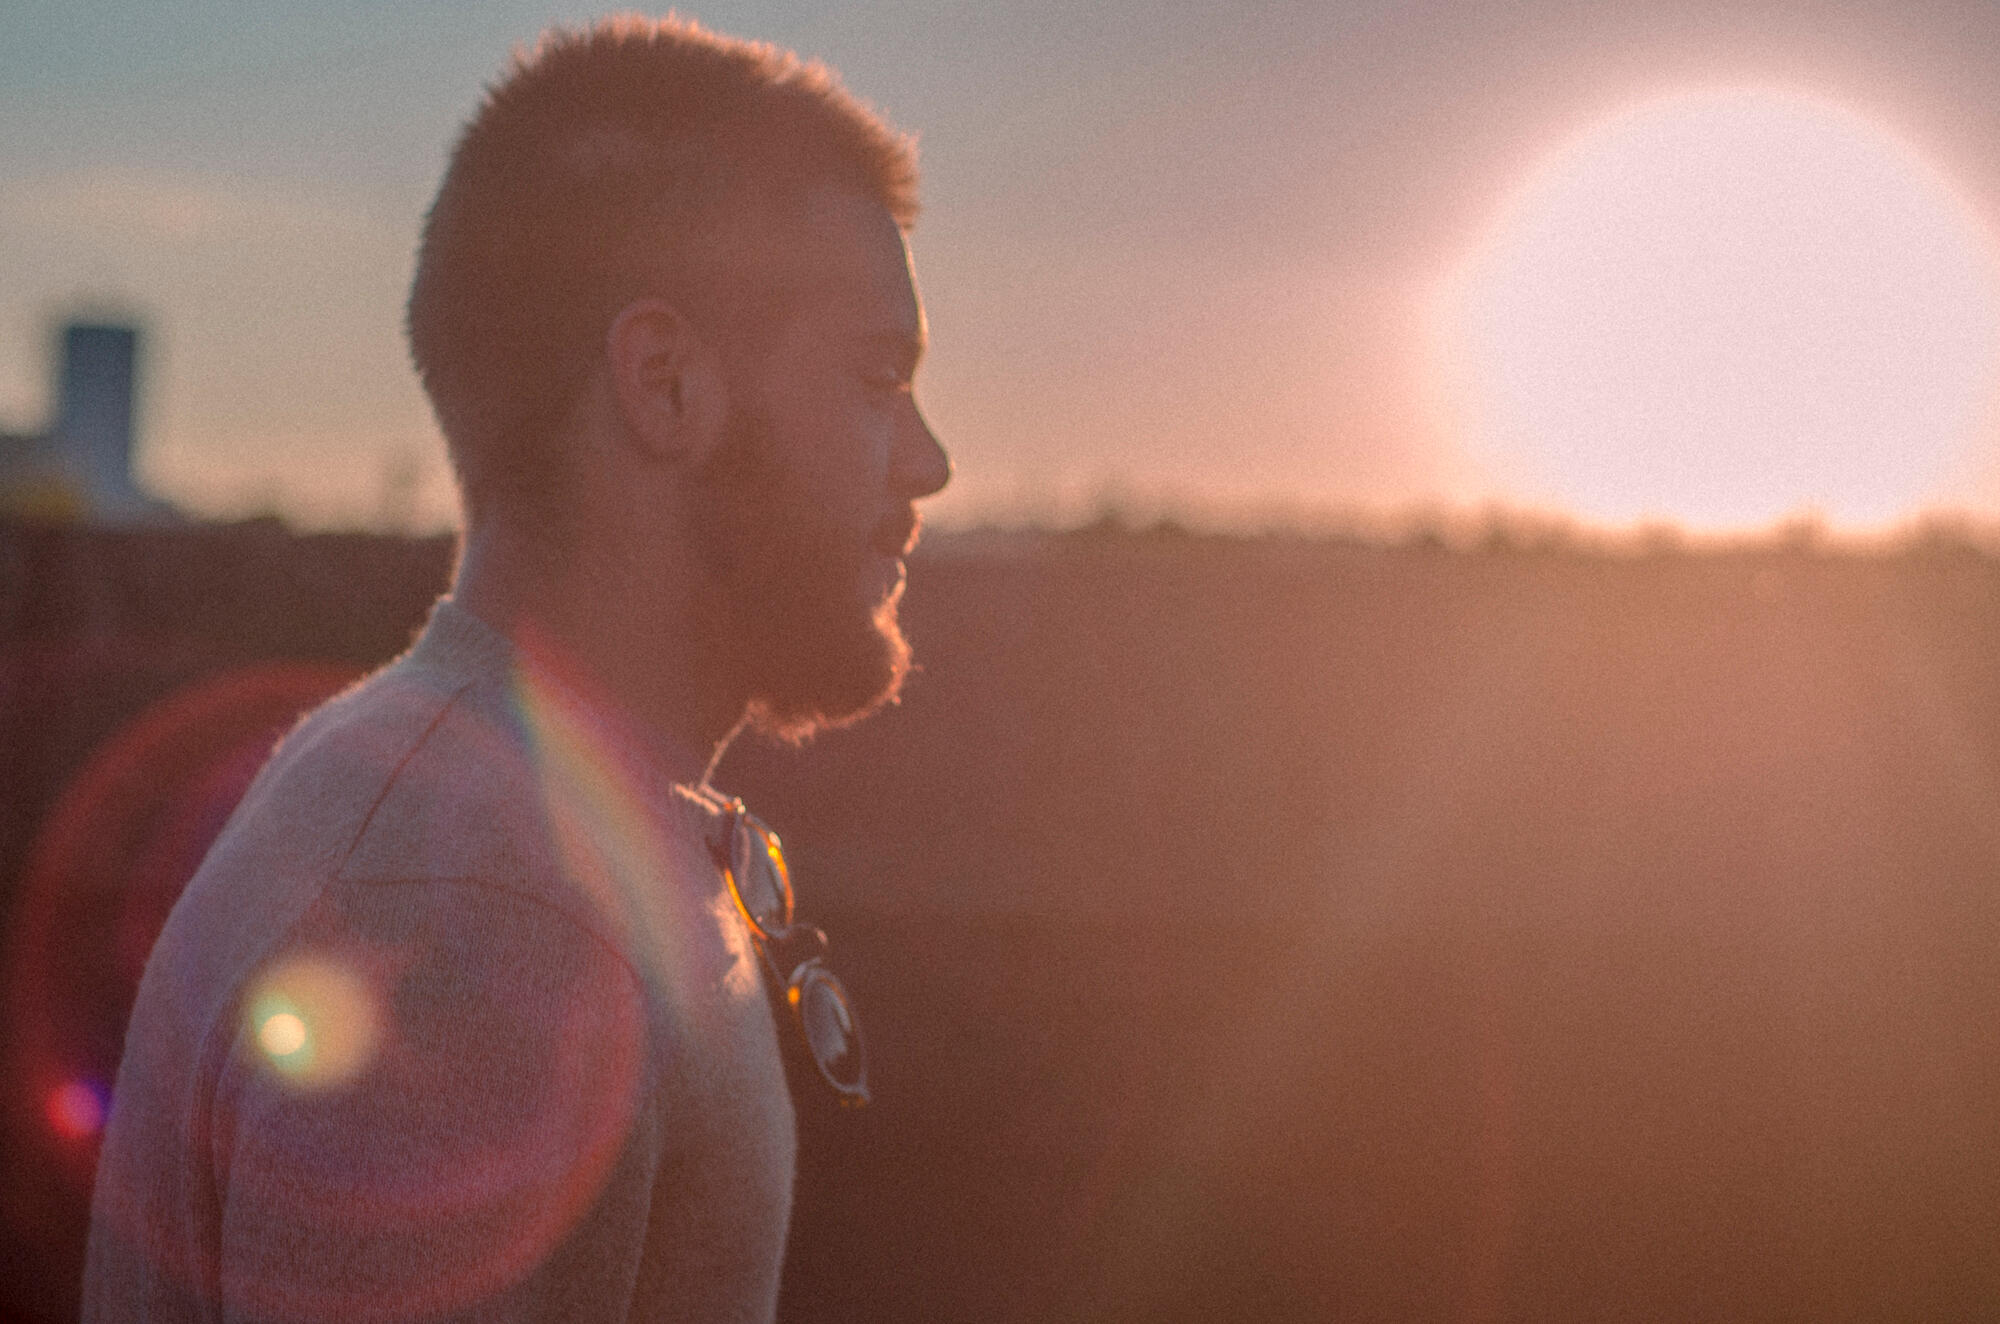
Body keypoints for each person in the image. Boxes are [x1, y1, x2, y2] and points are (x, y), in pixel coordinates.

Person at [82, 15, 950, 1322]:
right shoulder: (489, 917)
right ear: (665, 384)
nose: (930, 462)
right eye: (877, 377)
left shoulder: (497, 821)